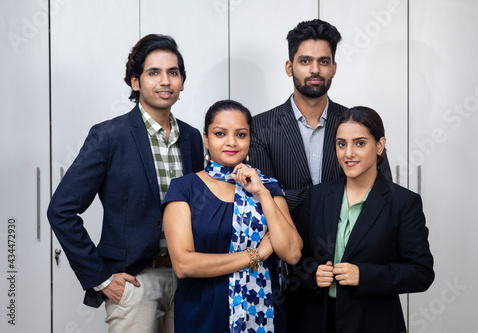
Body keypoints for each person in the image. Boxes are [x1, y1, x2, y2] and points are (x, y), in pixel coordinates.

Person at [47, 34, 204, 332]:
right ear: (135, 82)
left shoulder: (193, 138)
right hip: (135, 282)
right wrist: (102, 278)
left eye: (173, 72)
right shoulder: (109, 136)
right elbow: (61, 210)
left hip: (188, 280)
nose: (165, 81)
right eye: (153, 72)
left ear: (182, 81)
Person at [249, 19, 392, 331]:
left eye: (323, 61)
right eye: (305, 61)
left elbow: (381, 199)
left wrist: (290, 197)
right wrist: (327, 198)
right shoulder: (260, 128)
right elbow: (264, 205)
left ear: (334, 68)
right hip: (289, 273)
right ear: (290, 67)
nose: (314, 69)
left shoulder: (356, 124)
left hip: (354, 269)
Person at [162, 100, 303, 333]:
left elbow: (293, 253)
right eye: (220, 134)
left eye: (241, 134)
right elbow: (184, 265)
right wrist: (258, 254)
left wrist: (261, 192)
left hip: (262, 313)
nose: (231, 142)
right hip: (203, 313)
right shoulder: (184, 189)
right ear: (206, 139)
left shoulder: (268, 187)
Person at [296, 106, 434, 333]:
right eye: (342, 144)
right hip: (318, 321)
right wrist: (312, 273)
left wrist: (364, 275)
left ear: (379, 146)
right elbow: (295, 260)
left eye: (359, 143)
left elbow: (421, 273)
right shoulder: (317, 196)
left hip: (374, 322)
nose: (348, 153)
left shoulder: (402, 202)